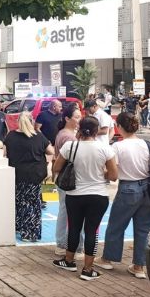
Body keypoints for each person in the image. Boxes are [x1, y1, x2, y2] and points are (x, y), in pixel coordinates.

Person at [52, 116, 118, 281]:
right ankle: (88, 269)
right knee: (92, 231)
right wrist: (100, 173)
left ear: (79, 129)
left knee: (73, 227)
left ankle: (69, 261)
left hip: (74, 195)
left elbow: (56, 167)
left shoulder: (70, 146)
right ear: (97, 131)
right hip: (98, 196)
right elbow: (114, 176)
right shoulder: (105, 149)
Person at [96, 112, 150, 279]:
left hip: (128, 188)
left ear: (118, 127)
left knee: (116, 225)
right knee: (143, 229)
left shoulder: (118, 147)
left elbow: (112, 172)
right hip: (147, 188)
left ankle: (108, 258)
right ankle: (139, 266)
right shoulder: (146, 144)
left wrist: (103, 173)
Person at [4, 111, 54, 242]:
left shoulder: (11, 136)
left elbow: (4, 153)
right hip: (35, 174)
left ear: (18, 122)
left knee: (19, 200)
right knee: (33, 202)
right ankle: (30, 232)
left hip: (17, 173)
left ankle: (19, 226)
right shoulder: (39, 136)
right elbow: (51, 151)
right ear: (31, 121)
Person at [52, 104, 84, 257]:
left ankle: (62, 243)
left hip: (65, 177)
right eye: (76, 117)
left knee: (65, 210)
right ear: (67, 118)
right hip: (68, 178)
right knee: (66, 211)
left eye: (80, 116)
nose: (79, 120)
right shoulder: (68, 137)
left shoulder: (66, 134)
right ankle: (62, 244)